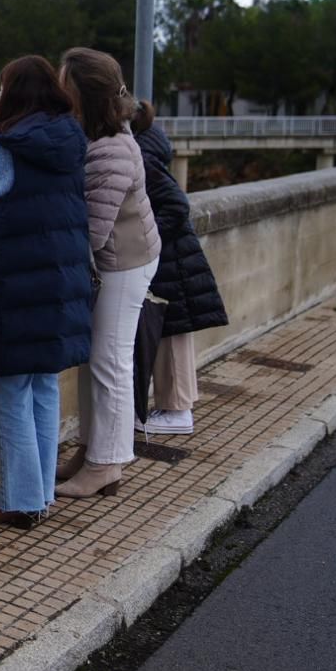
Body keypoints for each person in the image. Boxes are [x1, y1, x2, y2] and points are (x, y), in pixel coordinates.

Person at [0, 46, 160, 499]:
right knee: (55, 377)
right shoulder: (69, 132)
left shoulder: (109, 149)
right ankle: (73, 465)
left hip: (122, 261)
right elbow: (9, 99)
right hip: (71, 275)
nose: (59, 89)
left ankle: (102, 466)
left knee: (107, 362)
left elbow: (86, 234)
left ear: (81, 94)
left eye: (66, 82)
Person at [0, 56, 94, 528]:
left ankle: (18, 502)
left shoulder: (4, 148)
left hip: (13, 287)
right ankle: (42, 492)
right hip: (59, 287)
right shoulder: (72, 141)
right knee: (44, 386)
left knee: (11, 391)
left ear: (11, 96)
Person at [130, 100, 228, 434]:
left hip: (169, 259)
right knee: (172, 332)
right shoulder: (149, 148)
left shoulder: (142, 158)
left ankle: (176, 411)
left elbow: (176, 205)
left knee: (171, 333)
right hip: (174, 257)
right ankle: (174, 408)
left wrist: (145, 234)